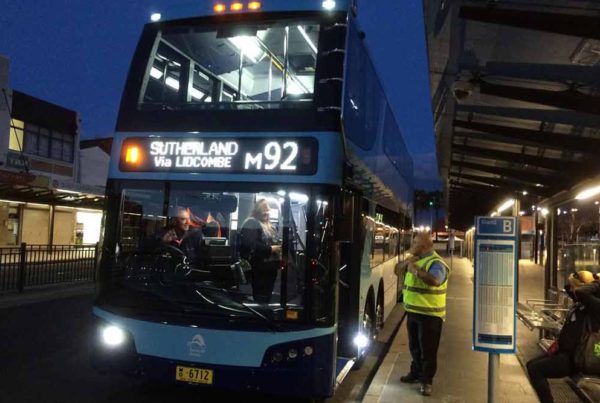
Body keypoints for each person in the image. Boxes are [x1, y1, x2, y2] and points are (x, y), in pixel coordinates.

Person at [526, 271, 600, 403]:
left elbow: (582, 292)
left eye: (575, 286)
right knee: (531, 364)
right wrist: (575, 280)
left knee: (535, 370)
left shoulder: (595, 306)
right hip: (564, 353)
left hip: (575, 358)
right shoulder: (581, 304)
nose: (573, 290)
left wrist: (596, 283)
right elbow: (568, 287)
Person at [398, 231, 450, 396]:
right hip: (413, 311)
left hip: (430, 315)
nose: (411, 246)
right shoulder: (415, 260)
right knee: (414, 347)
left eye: (414, 244)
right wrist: (407, 262)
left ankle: (426, 381)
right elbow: (397, 271)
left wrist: (415, 270)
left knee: (427, 350)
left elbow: (435, 280)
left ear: (423, 246)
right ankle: (415, 373)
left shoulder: (436, 263)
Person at [240, 199, 282, 303]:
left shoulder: (269, 225)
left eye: (268, 210)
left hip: (270, 267)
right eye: (264, 210)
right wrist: (271, 249)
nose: (267, 213)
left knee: (267, 295)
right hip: (259, 267)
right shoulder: (251, 223)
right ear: (258, 211)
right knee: (260, 296)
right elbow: (251, 244)